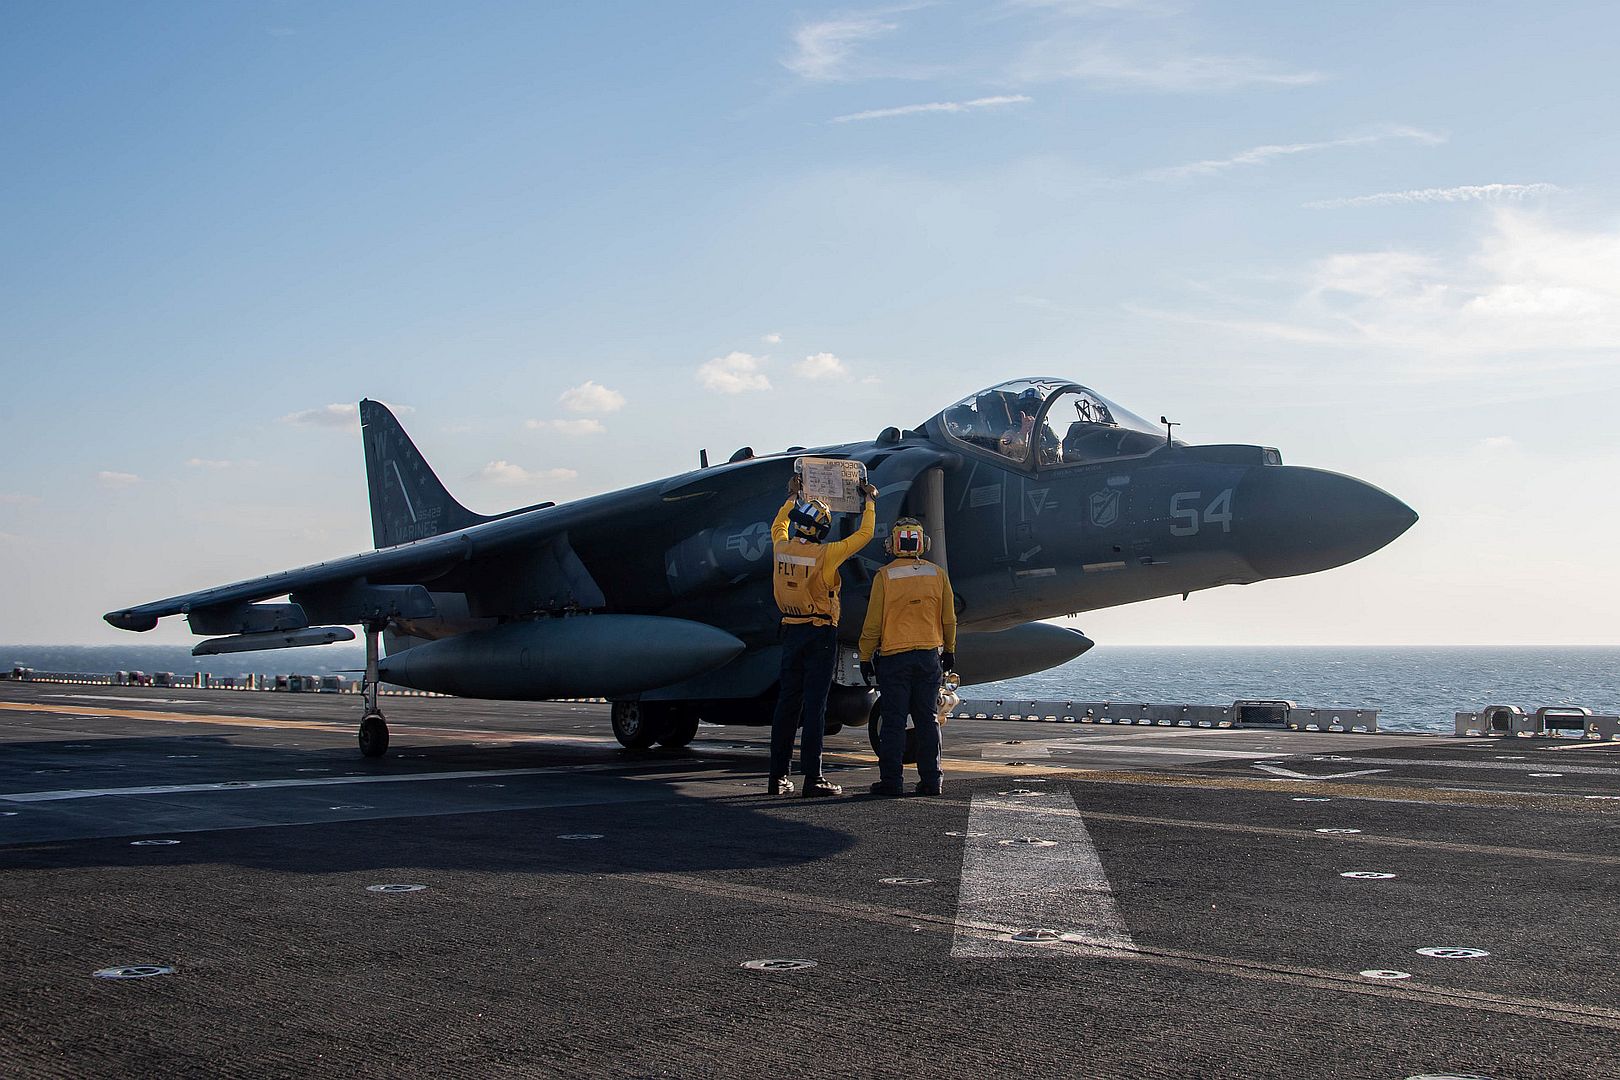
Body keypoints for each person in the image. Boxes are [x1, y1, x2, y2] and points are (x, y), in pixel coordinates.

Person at [766, 470, 878, 797]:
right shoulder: (826, 555)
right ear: (823, 530)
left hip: (791, 632)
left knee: (787, 706)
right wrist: (870, 501)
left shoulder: (781, 547)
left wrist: (792, 497)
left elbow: (778, 524)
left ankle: (778, 777)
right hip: (819, 634)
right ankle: (813, 779)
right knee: (815, 707)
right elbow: (865, 534)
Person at [857, 516, 957, 796]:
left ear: (893, 544)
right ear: (923, 543)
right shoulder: (937, 575)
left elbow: (873, 624)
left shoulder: (885, 576)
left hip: (895, 659)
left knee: (894, 722)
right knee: (928, 719)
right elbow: (949, 619)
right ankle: (932, 780)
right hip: (928, 657)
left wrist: (865, 656)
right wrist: (949, 650)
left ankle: (892, 781)